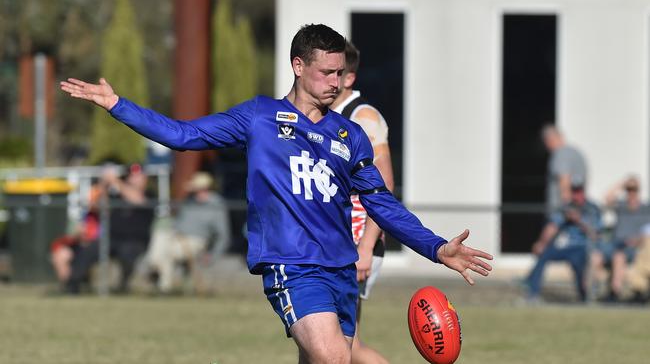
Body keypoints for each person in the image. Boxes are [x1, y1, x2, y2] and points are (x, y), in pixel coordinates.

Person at [61, 24, 493, 363]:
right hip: (293, 265)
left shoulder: (351, 135)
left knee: (324, 359)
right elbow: (183, 135)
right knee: (333, 357)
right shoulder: (260, 117)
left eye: (341, 73)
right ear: (298, 66)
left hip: (340, 269)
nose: (336, 82)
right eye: (326, 72)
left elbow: (382, 202)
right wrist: (119, 105)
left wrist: (436, 248)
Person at [330, 41, 391, 364]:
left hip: (358, 239)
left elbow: (384, 185)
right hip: (339, 239)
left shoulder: (362, 117)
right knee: (328, 341)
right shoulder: (329, 115)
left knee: (343, 346)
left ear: (348, 78)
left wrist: (366, 246)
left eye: (332, 72)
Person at [65, 163, 155, 294]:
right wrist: (104, 185)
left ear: (145, 179)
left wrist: (115, 180)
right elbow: (100, 207)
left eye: (138, 176)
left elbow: (137, 200)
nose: (134, 179)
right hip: (112, 239)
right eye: (132, 176)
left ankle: (124, 287)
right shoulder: (117, 195)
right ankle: (72, 286)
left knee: (127, 254)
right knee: (87, 250)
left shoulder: (150, 194)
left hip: (135, 241)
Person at [145, 171, 231, 293]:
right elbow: (177, 221)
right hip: (176, 236)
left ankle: (164, 286)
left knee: (167, 252)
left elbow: (223, 235)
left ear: (206, 189)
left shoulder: (217, 205)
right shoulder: (189, 201)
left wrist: (213, 254)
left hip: (196, 241)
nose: (196, 192)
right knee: (159, 234)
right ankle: (155, 266)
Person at [524, 184, 601, 302]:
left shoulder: (591, 209)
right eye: (574, 191)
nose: (576, 195)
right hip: (562, 247)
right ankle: (532, 292)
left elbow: (595, 235)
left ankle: (584, 297)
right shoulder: (565, 209)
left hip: (580, 248)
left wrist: (579, 220)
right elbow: (552, 227)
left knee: (580, 267)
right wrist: (541, 243)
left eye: (578, 191)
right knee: (543, 255)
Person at [590, 176, 649, 301]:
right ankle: (590, 293)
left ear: (638, 190)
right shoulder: (621, 205)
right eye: (629, 189)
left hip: (633, 247)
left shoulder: (645, 209)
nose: (631, 192)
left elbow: (646, 233)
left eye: (634, 189)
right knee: (595, 257)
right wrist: (622, 184)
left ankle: (615, 294)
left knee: (618, 257)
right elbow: (606, 198)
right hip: (615, 244)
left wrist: (636, 240)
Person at [541, 125, 587, 216]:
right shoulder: (574, 152)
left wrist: (567, 209)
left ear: (548, 140)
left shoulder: (561, 154)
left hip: (563, 214)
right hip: (575, 210)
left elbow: (564, 180)